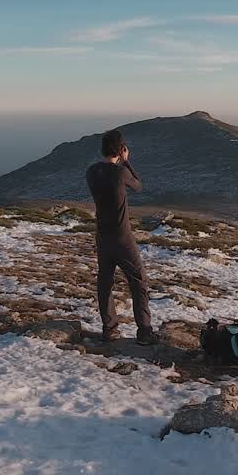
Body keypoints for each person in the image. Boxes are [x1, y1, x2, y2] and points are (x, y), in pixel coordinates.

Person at [85, 129, 157, 345]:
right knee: (138, 281)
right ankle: (144, 332)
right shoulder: (120, 172)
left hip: (102, 236)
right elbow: (137, 185)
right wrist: (126, 162)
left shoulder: (91, 171)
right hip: (122, 237)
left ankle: (110, 329)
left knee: (105, 283)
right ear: (121, 149)